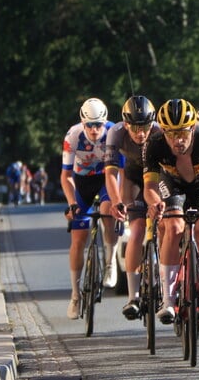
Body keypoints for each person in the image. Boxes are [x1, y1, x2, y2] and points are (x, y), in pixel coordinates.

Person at [142, 99, 199, 324]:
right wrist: (154, 203)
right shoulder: (154, 143)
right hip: (172, 184)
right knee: (173, 226)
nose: (177, 140)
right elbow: (150, 188)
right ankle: (168, 299)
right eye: (170, 134)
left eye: (182, 133)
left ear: (192, 128)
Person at [104, 95, 161, 320]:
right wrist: (117, 201)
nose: (140, 133)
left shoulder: (160, 132)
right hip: (133, 177)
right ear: (126, 124)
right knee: (136, 230)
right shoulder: (115, 133)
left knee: (168, 225)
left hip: (158, 177)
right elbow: (110, 173)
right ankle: (133, 296)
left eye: (145, 126)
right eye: (135, 127)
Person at [60, 98, 117, 319]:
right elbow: (65, 176)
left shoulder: (113, 132)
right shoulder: (73, 135)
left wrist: (116, 198)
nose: (94, 130)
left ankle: (110, 262)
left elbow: (117, 173)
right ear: (82, 123)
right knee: (78, 239)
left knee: (107, 210)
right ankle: (75, 295)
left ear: (105, 122)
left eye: (98, 124)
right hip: (81, 182)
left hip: (106, 179)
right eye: (90, 125)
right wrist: (72, 204)